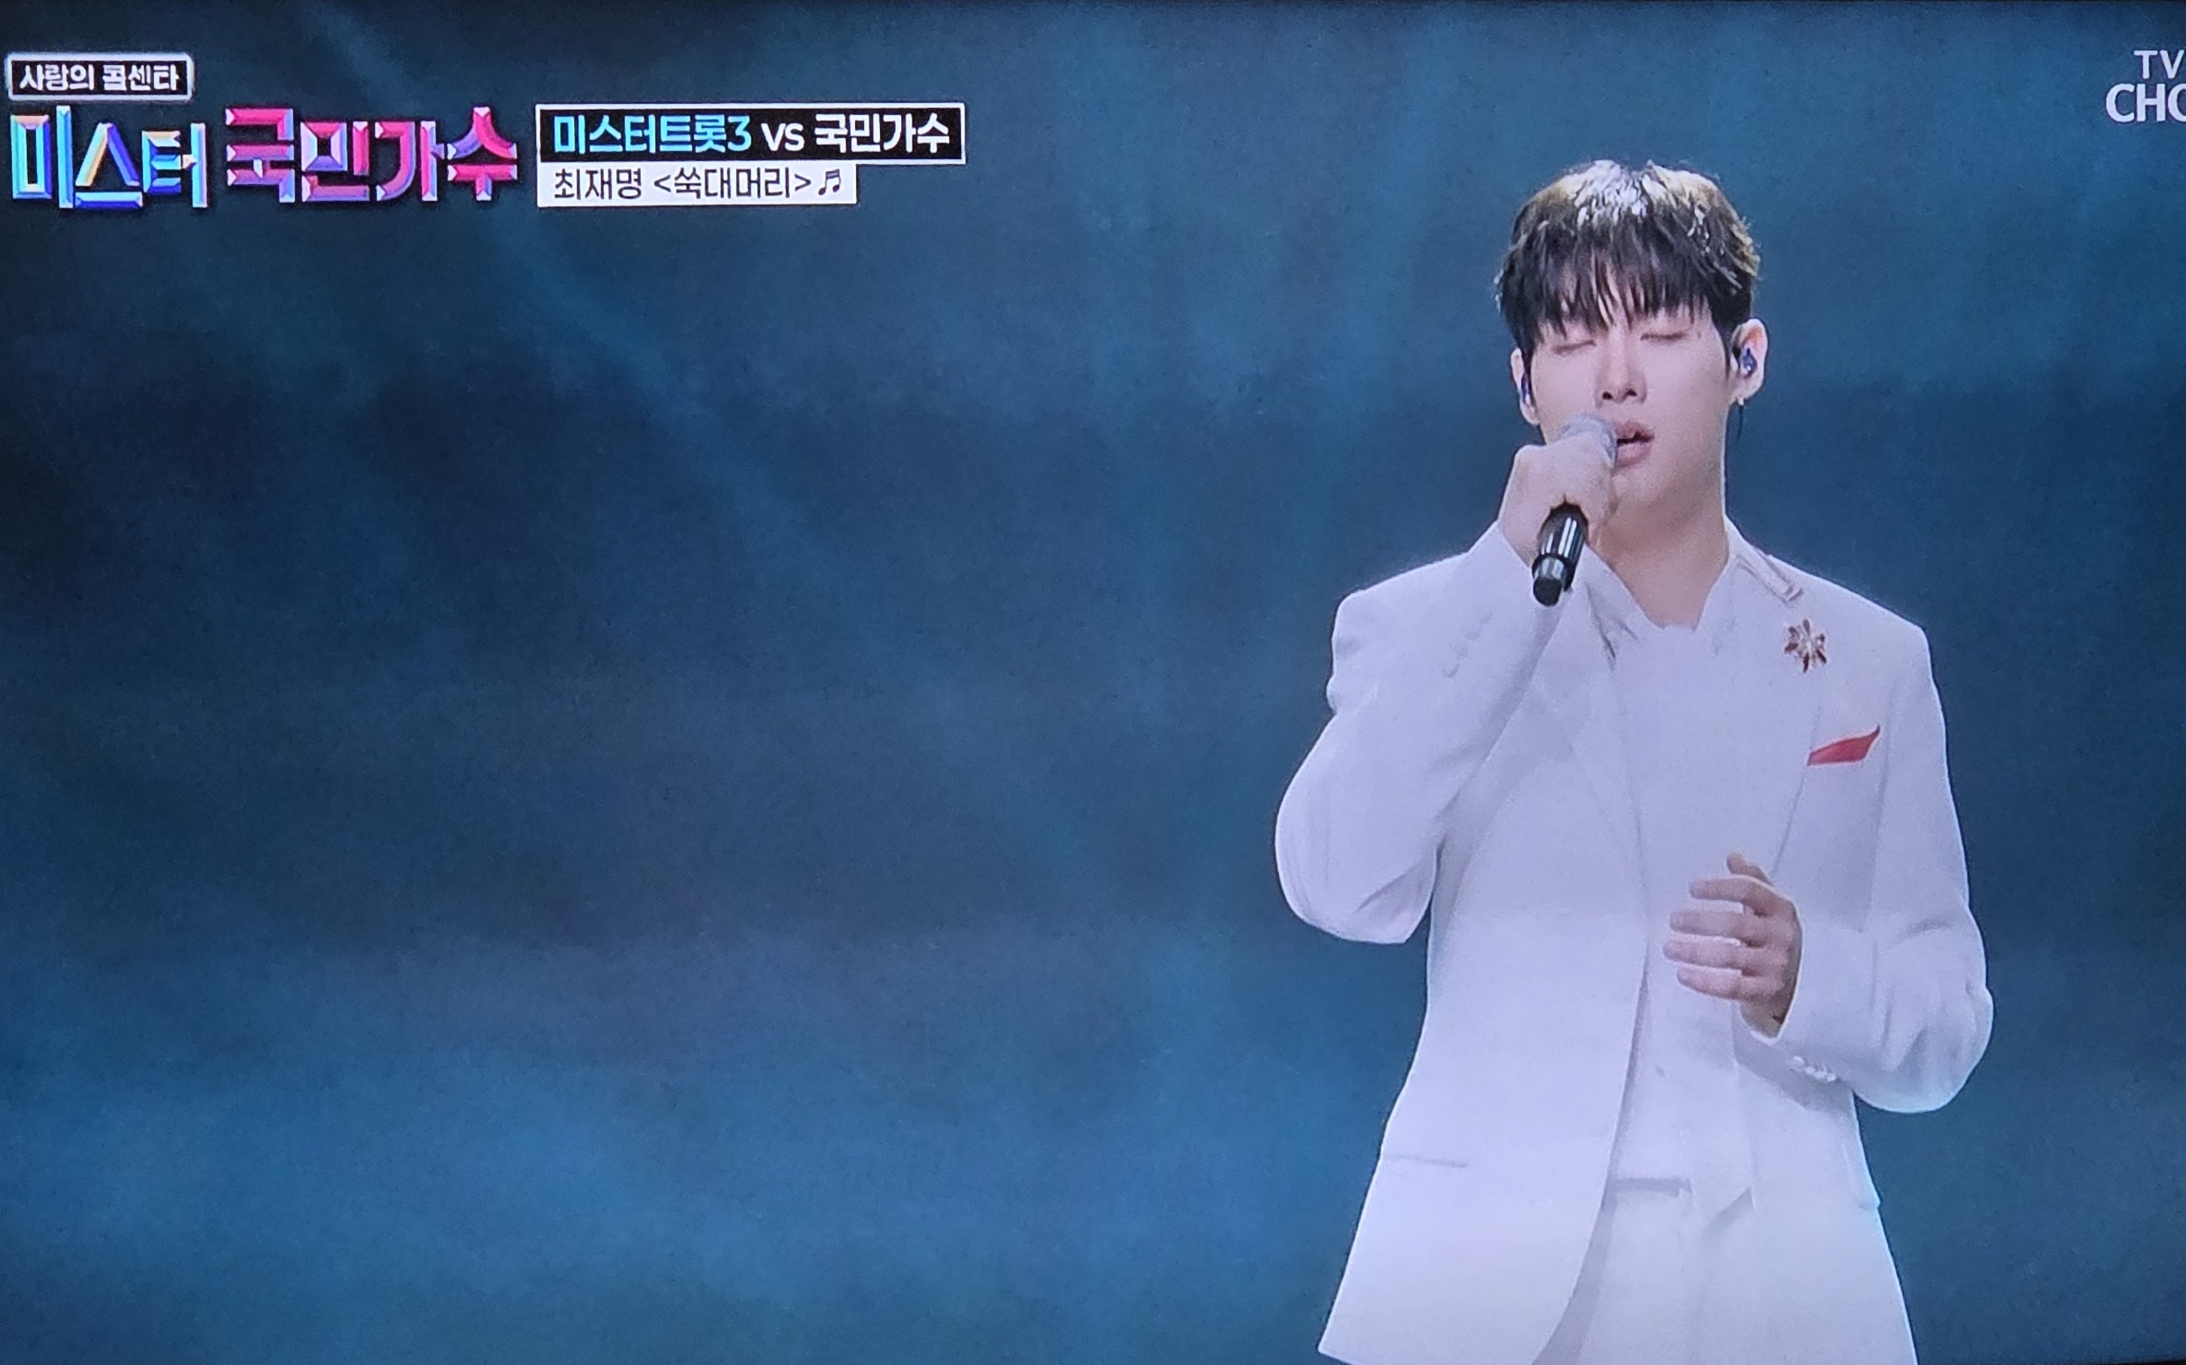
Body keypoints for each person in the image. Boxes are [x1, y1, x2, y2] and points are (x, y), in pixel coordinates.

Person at [1272, 160, 1993, 1365]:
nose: (1615, 377)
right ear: (1523, 386)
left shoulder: (1869, 660)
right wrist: (1505, 576)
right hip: (1479, 1285)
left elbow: (1945, 1021)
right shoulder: (1421, 626)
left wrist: (1807, 977)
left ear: (1743, 359)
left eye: (1659, 331)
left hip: (1786, 1289)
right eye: (1572, 341)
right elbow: (1337, 883)